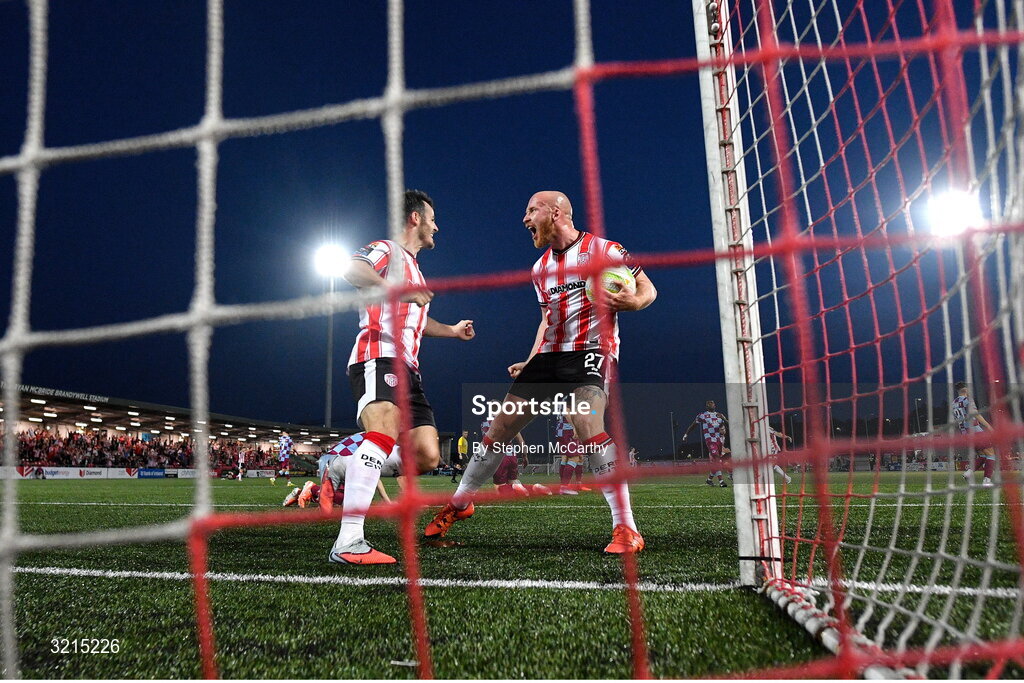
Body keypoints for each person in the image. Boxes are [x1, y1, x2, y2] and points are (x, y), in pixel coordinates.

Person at [423, 190, 657, 554]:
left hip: (592, 352)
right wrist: (532, 360)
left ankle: (626, 528)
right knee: (499, 428)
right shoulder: (540, 269)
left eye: (531, 210)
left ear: (556, 212)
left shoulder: (607, 250)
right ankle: (459, 503)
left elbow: (648, 288)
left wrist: (634, 301)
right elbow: (546, 320)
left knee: (586, 424)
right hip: (550, 357)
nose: (525, 218)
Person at [329, 190, 476, 565]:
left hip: (409, 368)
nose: (436, 226)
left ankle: (342, 467)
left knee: (426, 455)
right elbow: (351, 269)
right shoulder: (388, 251)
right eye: (432, 218)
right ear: (415, 218)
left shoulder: (415, 268)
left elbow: (420, 323)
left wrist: (454, 330)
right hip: (377, 355)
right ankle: (348, 543)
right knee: (382, 432)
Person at [953, 382, 997, 488]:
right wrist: (988, 426)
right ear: (966, 389)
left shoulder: (953, 403)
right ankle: (986, 481)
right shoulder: (968, 400)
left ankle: (968, 473)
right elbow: (975, 414)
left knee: (982, 455)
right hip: (975, 431)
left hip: (965, 433)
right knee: (991, 454)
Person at [683, 401, 729, 487]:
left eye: (712, 403)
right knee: (716, 458)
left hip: (719, 440)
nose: (711, 405)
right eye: (709, 404)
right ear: (706, 406)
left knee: (717, 461)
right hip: (710, 440)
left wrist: (723, 418)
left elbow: (727, 426)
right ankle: (721, 481)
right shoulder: (702, 415)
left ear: (715, 405)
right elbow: (693, 425)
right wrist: (686, 434)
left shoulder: (719, 415)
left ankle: (709, 479)